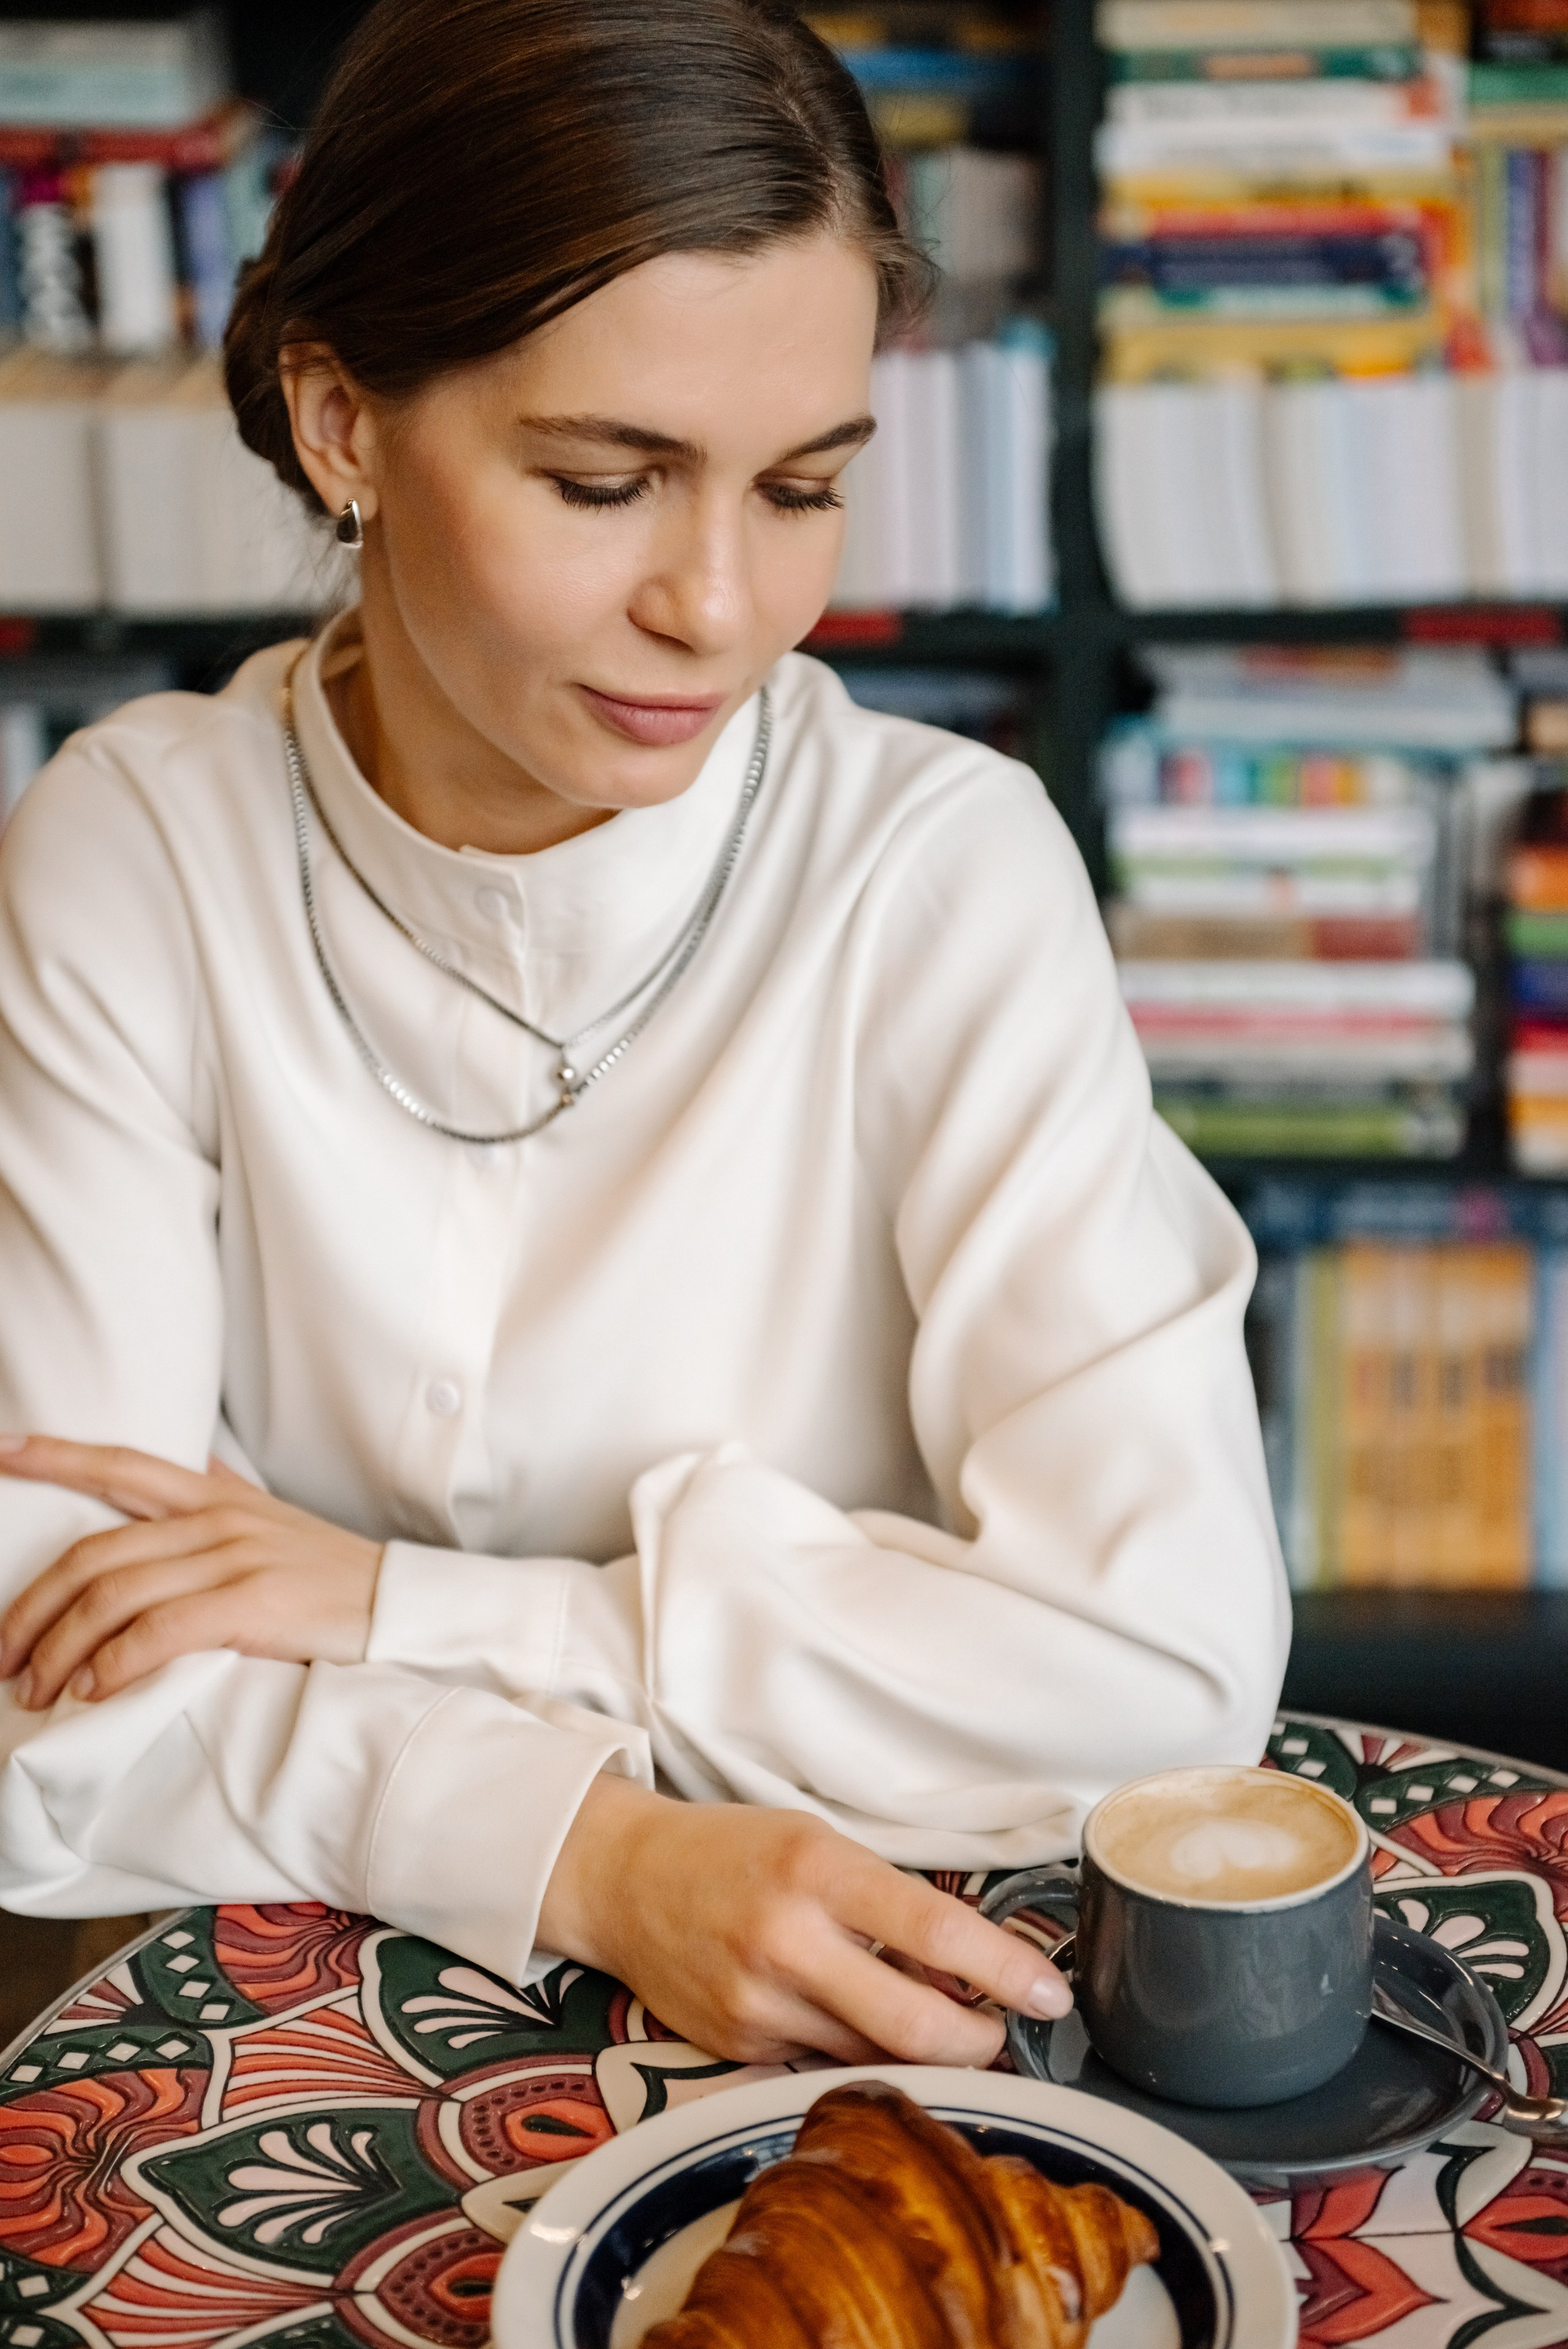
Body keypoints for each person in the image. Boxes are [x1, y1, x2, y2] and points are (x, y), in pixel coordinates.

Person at [0, 0, 1288, 2071]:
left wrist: (408, 1608)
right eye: (608, 480)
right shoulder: (130, 851)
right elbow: (50, 1667)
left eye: (801, 488)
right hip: (302, 2007)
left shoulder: (941, 871)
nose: (721, 603)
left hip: (875, 1994)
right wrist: (595, 1857)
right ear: (341, 424)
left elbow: (1158, 1665)